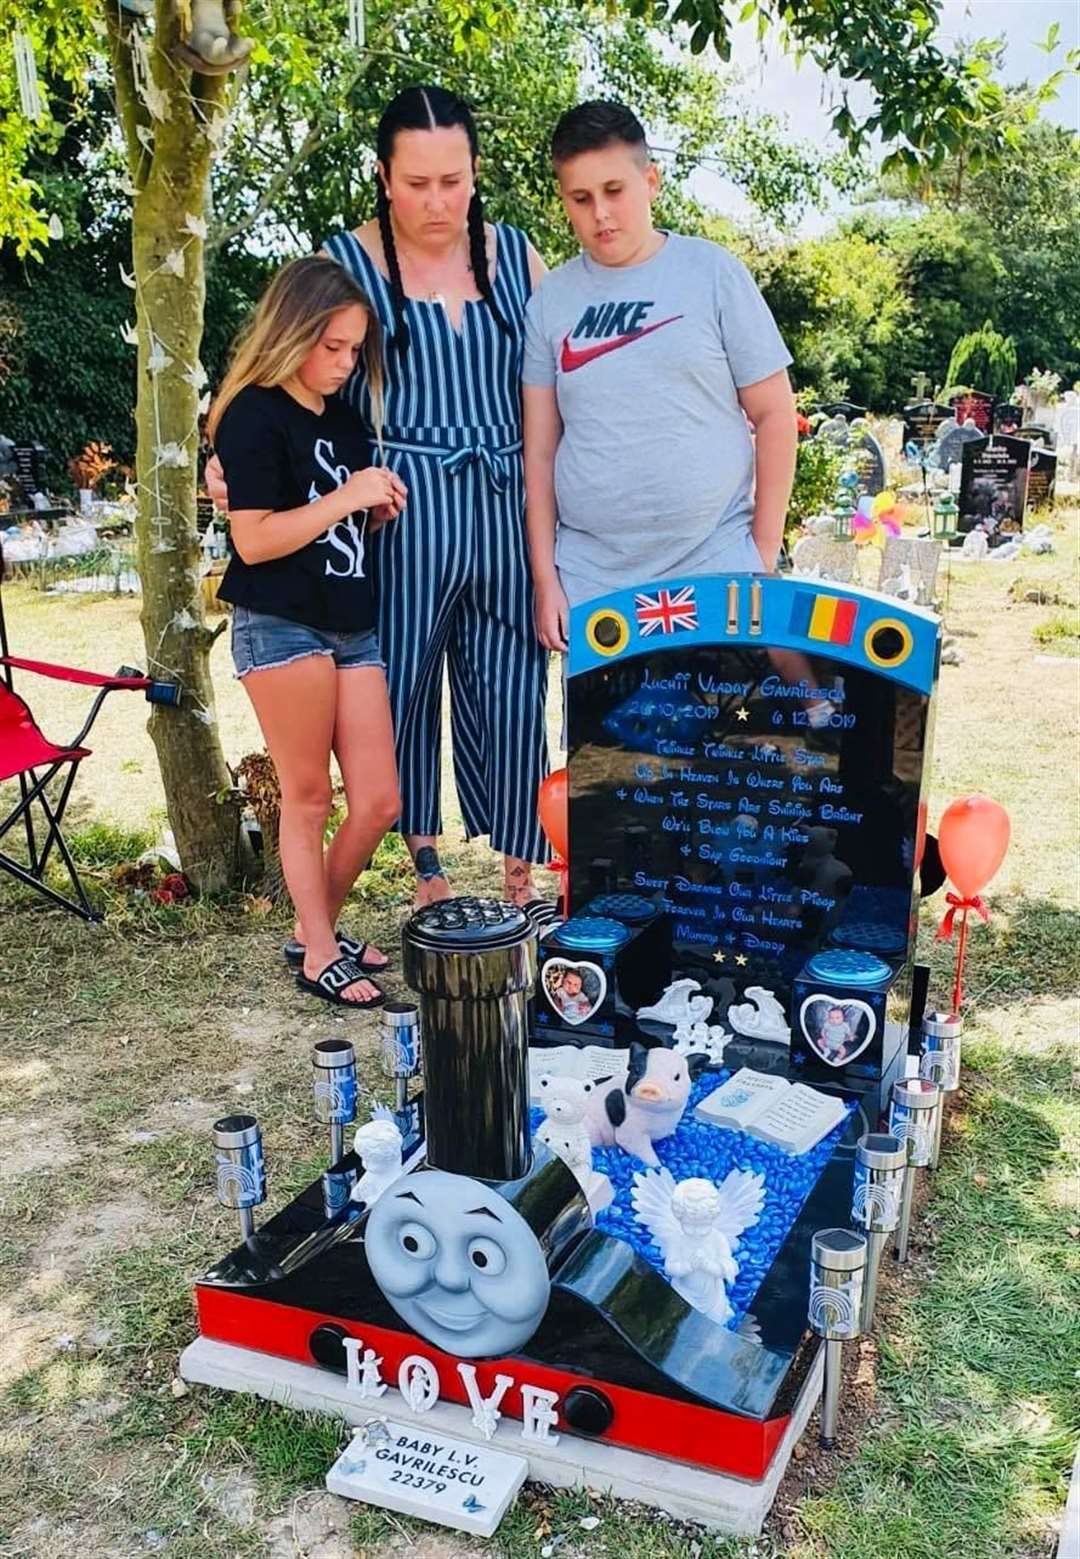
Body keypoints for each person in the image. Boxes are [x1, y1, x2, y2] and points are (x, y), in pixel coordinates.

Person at [206, 85, 552, 909]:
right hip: (390, 501)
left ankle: (522, 862)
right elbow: (277, 370)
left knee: (512, 679)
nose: (438, 202)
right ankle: (425, 859)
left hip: (502, 493)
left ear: (476, 174)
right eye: (417, 182)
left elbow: (554, 388)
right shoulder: (347, 261)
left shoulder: (515, 257)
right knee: (400, 674)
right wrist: (227, 464)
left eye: (454, 181)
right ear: (382, 176)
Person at [522, 100, 798, 648]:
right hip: (594, 583)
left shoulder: (713, 273)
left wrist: (762, 552)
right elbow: (540, 452)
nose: (600, 213)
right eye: (581, 198)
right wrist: (546, 579)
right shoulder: (550, 301)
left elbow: (775, 414)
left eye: (614, 191)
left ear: (651, 180)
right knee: (609, 738)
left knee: (721, 731)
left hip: (715, 566)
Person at [209, 255, 407, 1008]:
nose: (344, 363)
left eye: (354, 349)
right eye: (333, 348)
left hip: (351, 623)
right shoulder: (253, 414)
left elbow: (334, 509)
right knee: (308, 797)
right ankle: (319, 948)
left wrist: (372, 505)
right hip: (280, 624)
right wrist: (347, 496)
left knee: (380, 799)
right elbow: (254, 539)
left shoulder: (346, 418)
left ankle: (311, 925)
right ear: (292, 334)